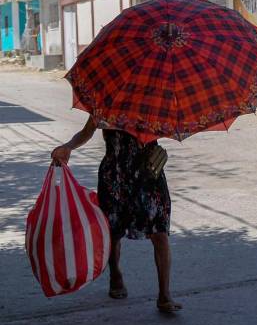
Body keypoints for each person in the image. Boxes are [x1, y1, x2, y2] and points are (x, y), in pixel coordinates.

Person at [51, 116, 180, 313]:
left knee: (160, 232)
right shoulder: (106, 106)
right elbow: (86, 132)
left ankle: (164, 294)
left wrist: (156, 130)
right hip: (115, 177)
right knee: (113, 231)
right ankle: (115, 274)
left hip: (149, 176)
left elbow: (167, 128)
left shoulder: (154, 107)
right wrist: (68, 146)